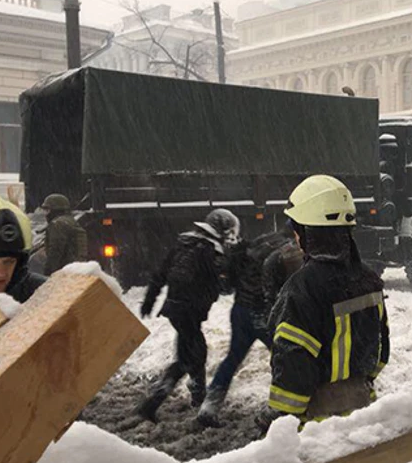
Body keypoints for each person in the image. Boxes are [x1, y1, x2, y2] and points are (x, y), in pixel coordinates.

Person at [263, 175, 389, 437]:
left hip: (319, 431)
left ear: (308, 233)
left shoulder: (302, 288)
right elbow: (381, 350)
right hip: (363, 417)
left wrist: (277, 417)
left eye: (297, 230)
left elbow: (293, 366)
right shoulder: (368, 279)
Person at [136, 209, 238, 423]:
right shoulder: (210, 251)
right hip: (190, 310)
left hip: (176, 308)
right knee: (187, 358)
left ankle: (198, 396)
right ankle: (154, 400)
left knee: (196, 351)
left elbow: (161, 273)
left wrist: (150, 299)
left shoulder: (184, 244)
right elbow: (224, 286)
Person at [197, 225, 303, 427]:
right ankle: (282, 407)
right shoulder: (287, 250)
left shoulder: (260, 240)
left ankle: (209, 406)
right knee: (285, 358)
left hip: (240, 310)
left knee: (233, 358)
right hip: (264, 313)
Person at [40, 193, 88, 275]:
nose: (45, 214)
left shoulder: (58, 224)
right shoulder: (70, 221)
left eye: (47, 210)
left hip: (65, 270)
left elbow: (55, 250)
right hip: (75, 268)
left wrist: (48, 271)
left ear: (55, 210)